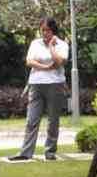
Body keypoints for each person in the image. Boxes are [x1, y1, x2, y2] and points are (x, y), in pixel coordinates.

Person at [11, 17, 69, 162]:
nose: (44, 33)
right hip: (36, 84)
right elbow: (29, 61)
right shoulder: (35, 43)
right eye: (42, 30)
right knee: (32, 119)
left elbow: (60, 61)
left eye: (47, 30)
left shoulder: (62, 44)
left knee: (53, 120)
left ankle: (50, 152)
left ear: (53, 30)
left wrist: (51, 47)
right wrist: (46, 67)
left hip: (55, 84)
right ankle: (25, 152)